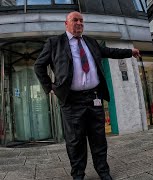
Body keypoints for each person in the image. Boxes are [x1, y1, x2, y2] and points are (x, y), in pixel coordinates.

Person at [34, 11, 140, 180]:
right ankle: (78, 175)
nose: (79, 23)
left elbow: (109, 51)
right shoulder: (55, 43)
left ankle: (103, 172)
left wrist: (129, 52)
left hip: (94, 98)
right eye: (75, 20)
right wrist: (51, 88)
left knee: (99, 138)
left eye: (81, 20)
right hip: (71, 101)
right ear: (66, 24)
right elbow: (39, 66)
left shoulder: (90, 42)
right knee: (75, 142)